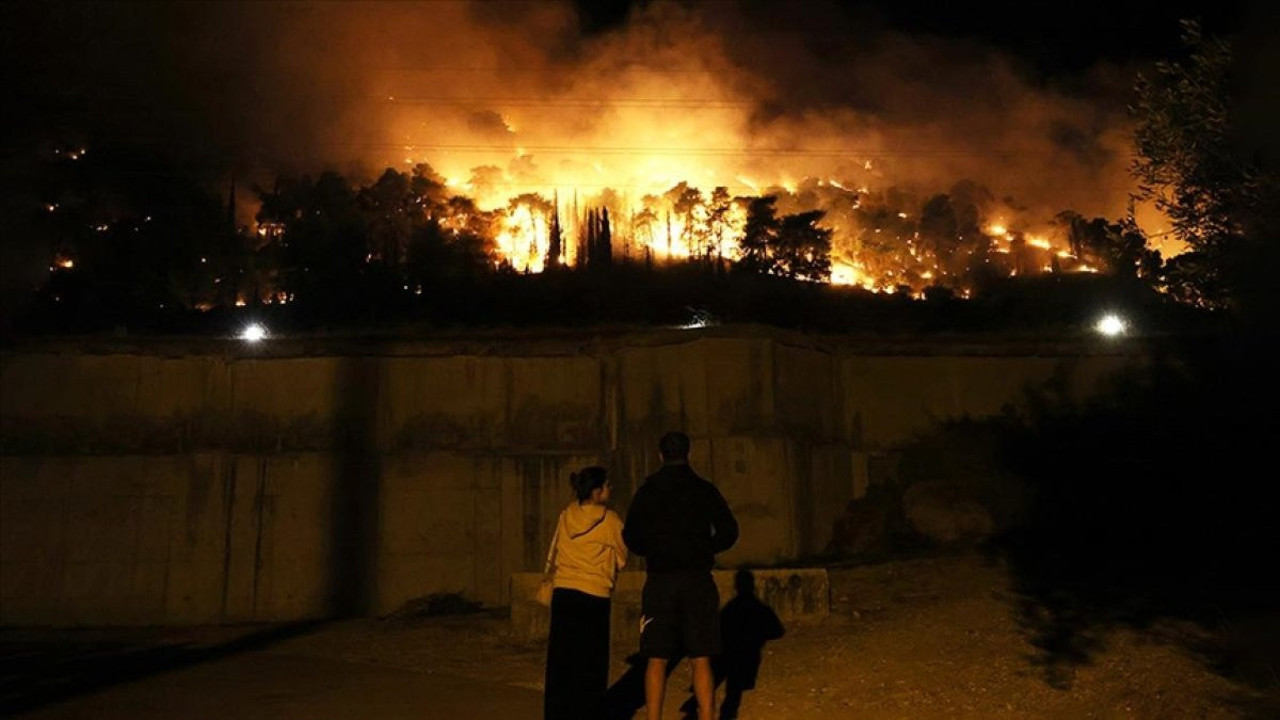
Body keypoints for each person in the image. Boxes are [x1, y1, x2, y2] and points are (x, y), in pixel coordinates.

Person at [623, 431, 739, 720]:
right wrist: (705, 548)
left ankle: (654, 718)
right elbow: (729, 531)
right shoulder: (704, 489)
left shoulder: (648, 491)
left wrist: (652, 549)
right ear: (689, 453)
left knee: (656, 657)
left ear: (660, 455)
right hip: (697, 579)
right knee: (701, 658)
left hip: (661, 580)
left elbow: (631, 535)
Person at [543, 466, 628, 720]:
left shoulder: (566, 514)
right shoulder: (610, 520)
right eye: (607, 485)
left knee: (560, 663)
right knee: (591, 664)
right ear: (596, 491)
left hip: (564, 593)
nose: (610, 488)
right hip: (594, 595)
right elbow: (623, 557)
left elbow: (555, 550)